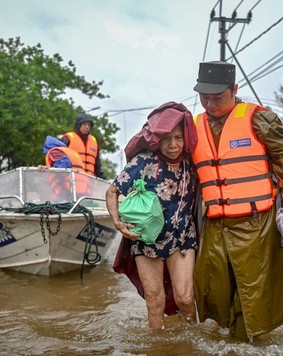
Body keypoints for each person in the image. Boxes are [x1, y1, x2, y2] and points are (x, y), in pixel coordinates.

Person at [191, 61, 283, 340]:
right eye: (205, 98)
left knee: (250, 296)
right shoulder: (192, 126)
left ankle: (244, 345)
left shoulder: (259, 118)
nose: (210, 104)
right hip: (214, 225)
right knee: (213, 291)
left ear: (234, 89)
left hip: (256, 224)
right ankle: (225, 343)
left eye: (217, 97)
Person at [106, 102, 198, 331]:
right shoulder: (145, 160)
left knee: (185, 299)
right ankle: (159, 347)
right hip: (146, 239)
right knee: (154, 300)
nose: (173, 145)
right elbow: (112, 191)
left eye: (178, 137)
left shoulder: (193, 161)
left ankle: (191, 346)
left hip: (182, 238)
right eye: (166, 138)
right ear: (157, 140)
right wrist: (118, 223)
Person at [60, 113, 106, 179]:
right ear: (78, 125)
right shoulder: (68, 139)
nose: (87, 127)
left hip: (89, 184)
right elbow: (56, 157)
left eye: (89, 125)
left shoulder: (94, 142)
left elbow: (98, 168)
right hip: (70, 181)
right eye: (84, 124)